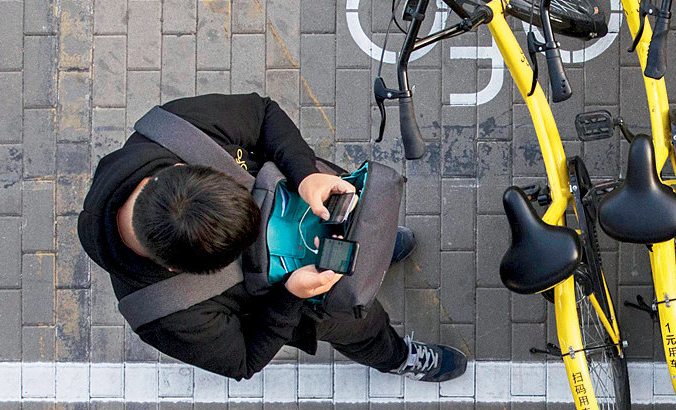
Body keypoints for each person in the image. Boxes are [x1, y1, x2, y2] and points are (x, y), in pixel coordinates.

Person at [79, 92, 466, 383]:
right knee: (365, 328)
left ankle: (374, 250)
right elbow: (244, 359)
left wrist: (304, 174)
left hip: (317, 206)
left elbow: (263, 113)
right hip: (309, 300)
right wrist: (291, 297)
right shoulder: (161, 313)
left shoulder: (176, 130)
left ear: (185, 168)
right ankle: (398, 359)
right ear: (174, 268)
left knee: (364, 240)